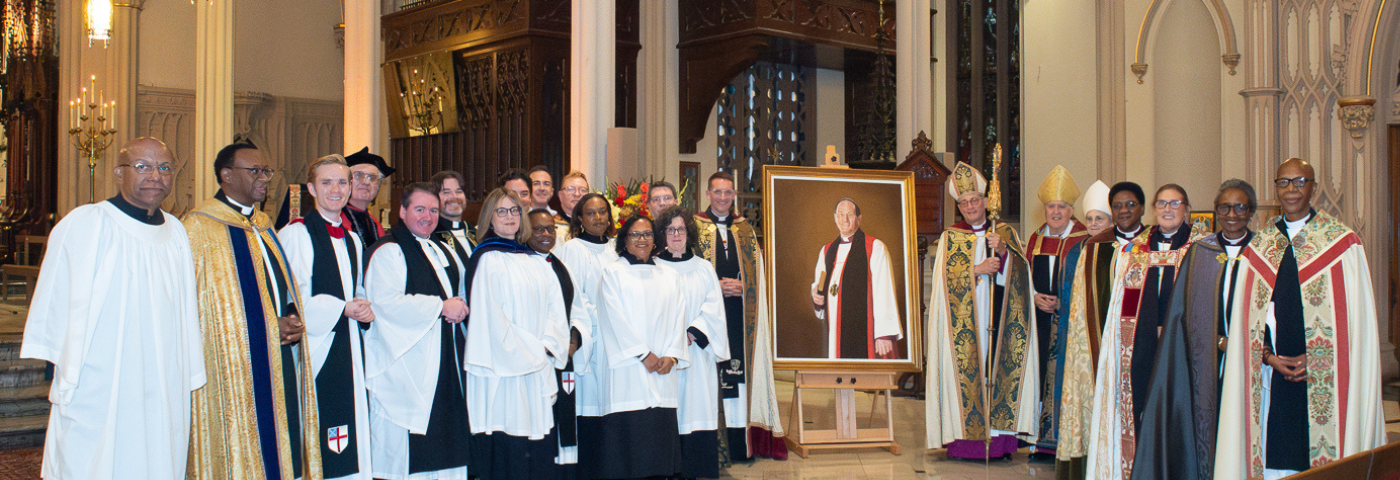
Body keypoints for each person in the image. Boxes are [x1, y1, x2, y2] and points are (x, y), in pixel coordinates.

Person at [21, 138, 204, 480]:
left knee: (157, 454)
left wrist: (186, 368)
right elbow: (56, 294)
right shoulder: (88, 223)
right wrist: (60, 365)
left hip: (162, 378)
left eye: (164, 168)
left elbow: (185, 310)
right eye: (143, 167)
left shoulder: (176, 232)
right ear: (119, 174)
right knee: (94, 459)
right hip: (100, 378)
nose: (155, 176)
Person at [1216, 159, 1384, 479]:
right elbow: (1248, 319)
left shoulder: (1342, 244)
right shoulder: (1260, 247)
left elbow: (1357, 326)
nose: (1291, 190)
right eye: (1283, 183)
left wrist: (1320, 357)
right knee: (1272, 459)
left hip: (1328, 377)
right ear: (1275, 188)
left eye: (1299, 182)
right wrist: (1268, 357)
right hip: (1271, 376)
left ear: (1313, 187)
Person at [184, 142, 322, 480]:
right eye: (255, 171)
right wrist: (266, 324)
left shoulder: (262, 224)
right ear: (226, 175)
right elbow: (205, 308)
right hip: (234, 365)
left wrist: (290, 316)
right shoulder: (200, 228)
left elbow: (277, 284)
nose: (265, 179)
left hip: (279, 355)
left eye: (267, 172)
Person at [1131, 179, 1257, 480]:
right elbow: (1181, 313)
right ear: (1215, 211)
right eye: (1224, 207)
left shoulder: (1261, 252)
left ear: (1250, 211)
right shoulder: (1201, 252)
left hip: (1251, 358)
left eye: (1240, 207)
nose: (1232, 214)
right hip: (1206, 358)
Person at [1086, 183, 1207, 479]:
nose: (1168, 209)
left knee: (1180, 410)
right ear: (1153, 209)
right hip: (1138, 346)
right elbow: (1118, 305)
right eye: (1162, 203)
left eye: (1175, 203)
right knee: (1137, 410)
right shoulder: (1133, 249)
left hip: (1185, 346)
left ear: (1187, 208)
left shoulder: (1202, 247)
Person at [924, 161, 1037, 460]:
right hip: (963, 326)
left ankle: (999, 444)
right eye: (964, 202)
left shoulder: (1005, 233)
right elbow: (943, 284)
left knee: (996, 373)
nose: (970, 206)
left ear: (986, 202)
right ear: (958, 206)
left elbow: (1023, 278)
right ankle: (965, 444)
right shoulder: (950, 237)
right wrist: (976, 270)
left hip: (997, 321)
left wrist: (1002, 254)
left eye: (974, 200)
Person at [362, 183, 472, 480]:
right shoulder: (388, 252)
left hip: (446, 361)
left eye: (433, 210)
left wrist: (461, 306)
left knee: (448, 446)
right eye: (420, 209)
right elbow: (385, 304)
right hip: (408, 366)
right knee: (408, 454)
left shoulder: (442, 249)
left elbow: (460, 293)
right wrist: (440, 307)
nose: (428, 216)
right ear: (402, 211)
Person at [278, 155, 377, 480]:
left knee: (348, 436)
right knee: (320, 431)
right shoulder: (297, 234)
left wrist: (362, 304)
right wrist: (342, 308)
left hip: (347, 346)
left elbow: (357, 288)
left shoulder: (351, 239)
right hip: (315, 350)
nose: (336, 189)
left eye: (342, 182)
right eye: (326, 182)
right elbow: (293, 300)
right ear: (311, 188)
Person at [462, 189, 570, 480]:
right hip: (503, 372)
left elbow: (556, 310)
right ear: (489, 218)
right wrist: (533, 351)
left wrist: (548, 345)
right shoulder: (487, 259)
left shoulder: (536, 260)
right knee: (509, 449)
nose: (509, 217)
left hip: (537, 365)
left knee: (537, 452)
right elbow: (491, 320)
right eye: (501, 211)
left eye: (514, 211)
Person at [584, 215, 687, 479]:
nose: (642, 240)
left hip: (663, 370)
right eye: (635, 235)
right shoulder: (613, 273)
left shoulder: (669, 275)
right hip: (627, 371)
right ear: (624, 240)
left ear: (656, 239)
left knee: (659, 451)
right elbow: (612, 317)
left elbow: (679, 317)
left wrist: (672, 356)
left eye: (647, 234)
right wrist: (643, 354)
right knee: (627, 456)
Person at [693, 171, 786, 461]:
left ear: (734, 196)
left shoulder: (745, 230)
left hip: (740, 313)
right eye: (717, 192)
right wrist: (715, 286)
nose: (722, 198)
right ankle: (713, 448)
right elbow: (687, 270)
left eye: (728, 193)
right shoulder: (694, 227)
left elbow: (759, 273)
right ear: (707, 194)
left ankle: (740, 446)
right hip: (707, 315)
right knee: (712, 376)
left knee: (739, 374)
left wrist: (745, 286)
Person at [1056, 181, 1145, 477]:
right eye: (1117, 205)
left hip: (1140, 347)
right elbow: (1080, 308)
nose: (1123, 210)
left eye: (1130, 204)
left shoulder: (1155, 246)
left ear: (1142, 208)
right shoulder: (1093, 249)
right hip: (1100, 350)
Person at [654, 206, 730, 479]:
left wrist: (691, 333)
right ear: (662, 233)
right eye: (670, 229)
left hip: (697, 355)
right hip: (665, 355)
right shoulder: (653, 267)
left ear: (690, 233)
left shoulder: (703, 268)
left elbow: (714, 308)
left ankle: (695, 470)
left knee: (696, 408)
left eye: (681, 229)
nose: (676, 235)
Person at [1025, 165, 1087, 459]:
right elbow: (1020, 278)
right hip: (1038, 320)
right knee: (1039, 377)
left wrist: (1064, 303)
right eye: (1051, 206)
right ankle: (1038, 438)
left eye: (1062, 206)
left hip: (1068, 323)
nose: (1056, 211)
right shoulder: (1035, 240)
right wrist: (1035, 296)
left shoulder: (1084, 240)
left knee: (1063, 378)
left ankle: (1064, 440)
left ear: (1072, 210)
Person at [552, 193, 617, 470]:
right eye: (591, 213)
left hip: (617, 340)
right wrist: (597, 315)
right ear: (579, 218)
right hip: (590, 337)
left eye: (603, 212)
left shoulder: (617, 249)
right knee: (590, 403)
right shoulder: (571, 250)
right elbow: (572, 295)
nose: (598, 218)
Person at [523, 209, 591, 475]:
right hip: (534, 359)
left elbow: (579, 311)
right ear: (526, 231)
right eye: (539, 229)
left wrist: (573, 340)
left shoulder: (560, 266)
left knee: (563, 425)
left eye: (551, 229)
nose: (546, 234)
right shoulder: (520, 264)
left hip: (563, 358)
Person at [808, 198, 903, 359]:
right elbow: (822, 282)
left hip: (865, 332)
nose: (844, 220)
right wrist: (817, 296)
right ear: (835, 217)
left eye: (850, 215)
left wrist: (883, 334)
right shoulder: (827, 250)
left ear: (859, 219)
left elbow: (884, 290)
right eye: (841, 214)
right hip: (835, 331)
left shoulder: (874, 247)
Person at [344, 147, 395, 250]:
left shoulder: (375, 224)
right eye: (358, 175)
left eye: (372, 178)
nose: (366, 182)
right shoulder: (336, 219)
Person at [431, 170, 477, 259]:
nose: (454, 196)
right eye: (446, 192)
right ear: (434, 198)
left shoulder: (478, 234)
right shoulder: (431, 236)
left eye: (459, 191)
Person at [554, 171, 590, 241]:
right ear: (560, 196)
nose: (577, 194)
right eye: (571, 189)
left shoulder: (594, 225)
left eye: (583, 190)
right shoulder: (549, 225)